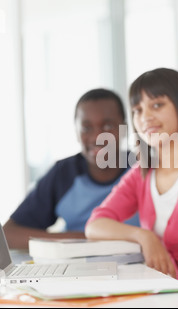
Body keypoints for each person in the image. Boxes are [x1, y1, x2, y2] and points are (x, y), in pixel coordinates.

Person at [85, 68, 178, 284]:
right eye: (137, 110)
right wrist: (144, 236)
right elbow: (95, 225)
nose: (145, 117)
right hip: (160, 294)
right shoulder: (141, 174)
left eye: (157, 105)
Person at [4, 88, 139, 249]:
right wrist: (86, 239)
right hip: (75, 263)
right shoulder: (64, 173)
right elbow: (8, 234)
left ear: (124, 127)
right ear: (76, 131)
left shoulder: (143, 168)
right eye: (86, 128)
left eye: (108, 126)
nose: (97, 137)